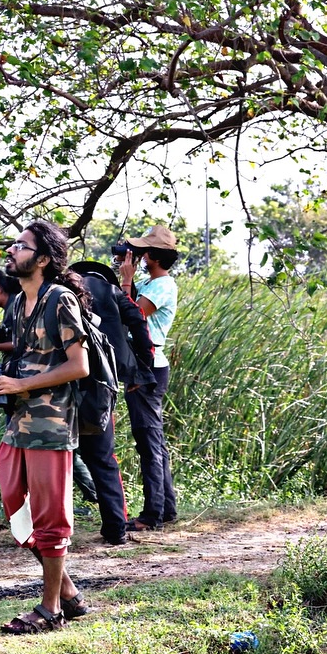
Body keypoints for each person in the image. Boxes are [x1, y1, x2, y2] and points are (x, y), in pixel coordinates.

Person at [0, 220, 91, 634]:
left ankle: (51, 610)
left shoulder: (59, 299)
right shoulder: (16, 304)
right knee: (16, 506)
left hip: (52, 424)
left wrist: (22, 383)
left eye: (21, 246)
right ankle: (67, 591)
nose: (12, 250)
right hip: (18, 422)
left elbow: (78, 365)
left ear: (43, 259)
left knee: (50, 516)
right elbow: (24, 356)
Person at [0, 266, 102, 514]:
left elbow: (72, 362)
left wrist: (18, 380)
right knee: (17, 483)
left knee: (55, 496)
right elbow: (23, 353)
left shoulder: (56, 299)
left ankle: (94, 499)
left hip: (51, 411)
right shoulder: (21, 303)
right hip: (24, 410)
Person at [69, 260, 157, 544]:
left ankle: (48, 528)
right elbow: (139, 321)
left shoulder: (63, 289)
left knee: (60, 453)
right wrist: (142, 364)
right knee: (103, 456)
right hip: (104, 380)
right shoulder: (113, 291)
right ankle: (115, 529)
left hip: (64, 378)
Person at [117, 225, 179, 531]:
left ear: (153, 256)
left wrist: (127, 281)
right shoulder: (149, 282)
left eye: (143, 251)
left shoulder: (163, 287)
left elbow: (134, 314)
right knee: (153, 440)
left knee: (148, 441)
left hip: (148, 367)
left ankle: (153, 514)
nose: (138, 255)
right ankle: (166, 508)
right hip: (144, 365)